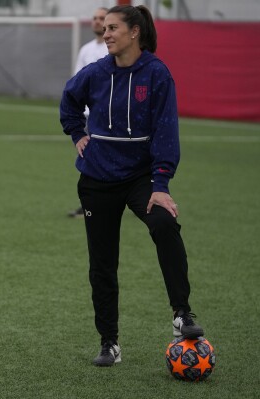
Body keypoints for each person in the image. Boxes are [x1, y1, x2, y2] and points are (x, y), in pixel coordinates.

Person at [59, 4, 205, 367]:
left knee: (164, 223)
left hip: (140, 178)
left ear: (134, 32)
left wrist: (161, 183)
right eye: (104, 28)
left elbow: (167, 130)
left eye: (112, 28)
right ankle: (109, 343)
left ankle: (182, 314)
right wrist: (77, 132)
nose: (105, 34)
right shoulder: (94, 73)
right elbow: (69, 101)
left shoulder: (157, 74)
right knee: (103, 263)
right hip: (97, 180)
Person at [67, 7, 108, 219]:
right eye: (94, 18)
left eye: (101, 18)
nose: (97, 21)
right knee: (89, 158)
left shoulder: (113, 50)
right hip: (87, 116)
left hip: (107, 116)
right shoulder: (85, 50)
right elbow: (76, 82)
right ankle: (90, 205)